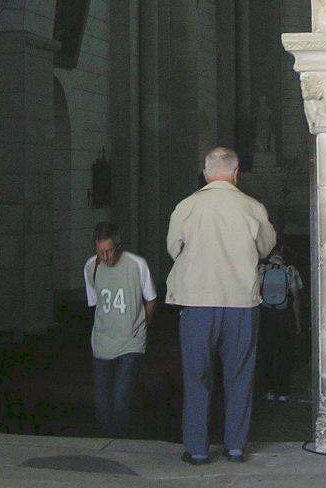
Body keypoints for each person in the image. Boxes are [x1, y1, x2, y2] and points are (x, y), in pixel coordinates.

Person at [166, 147, 276, 465]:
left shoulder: (187, 206)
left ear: (205, 172)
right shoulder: (252, 207)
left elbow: (174, 248)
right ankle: (236, 446)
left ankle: (198, 449)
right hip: (240, 301)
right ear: (236, 173)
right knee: (239, 375)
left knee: (197, 376)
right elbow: (266, 248)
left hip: (198, 301)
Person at [82, 221, 157, 439]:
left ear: (118, 246)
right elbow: (94, 302)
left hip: (131, 341)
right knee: (102, 404)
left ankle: (120, 442)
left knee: (120, 399)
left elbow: (150, 298)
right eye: (100, 252)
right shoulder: (90, 267)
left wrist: (142, 325)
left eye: (109, 251)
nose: (105, 257)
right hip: (103, 342)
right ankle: (109, 440)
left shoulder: (136, 264)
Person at [257, 239, 304, 401]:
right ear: (282, 249)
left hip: (267, 315)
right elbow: (296, 297)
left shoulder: (261, 269)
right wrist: (298, 321)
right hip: (285, 316)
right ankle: (284, 392)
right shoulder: (290, 270)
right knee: (285, 353)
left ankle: (269, 390)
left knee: (267, 352)